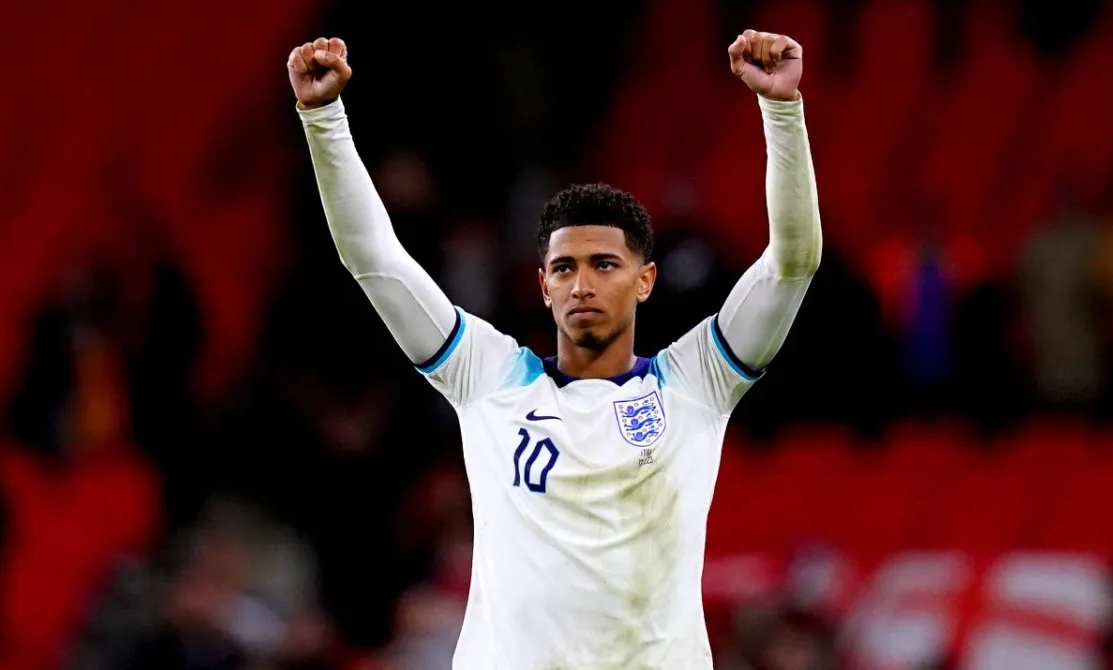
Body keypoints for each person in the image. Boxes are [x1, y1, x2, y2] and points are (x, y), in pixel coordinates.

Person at [287, 28, 821, 669]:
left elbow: (792, 264)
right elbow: (374, 258)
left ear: (645, 280)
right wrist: (324, 118)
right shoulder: (488, 378)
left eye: (604, 264)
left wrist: (782, 111)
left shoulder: (695, 384)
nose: (582, 285)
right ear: (544, 286)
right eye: (564, 268)